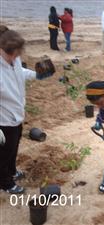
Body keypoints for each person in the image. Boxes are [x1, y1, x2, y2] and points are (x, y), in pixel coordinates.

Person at [0, 28, 53, 194]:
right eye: (13, 55)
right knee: (3, 154)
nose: (16, 58)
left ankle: (12, 171)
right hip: (3, 120)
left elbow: (20, 72)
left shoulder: (14, 61)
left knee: (13, 147)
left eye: (17, 54)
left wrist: (37, 75)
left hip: (16, 115)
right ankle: (6, 183)